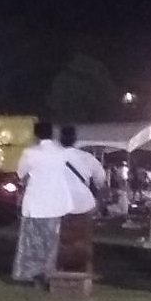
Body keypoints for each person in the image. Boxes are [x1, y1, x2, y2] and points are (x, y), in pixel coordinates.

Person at [12, 120, 71, 284]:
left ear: (36, 135)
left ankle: (28, 272)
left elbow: (20, 173)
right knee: (51, 241)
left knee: (31, 241)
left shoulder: (30, 152)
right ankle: (48, 271)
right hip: (55, 203)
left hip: (35, 202)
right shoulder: (62, 152)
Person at [56, 125, 106, 275]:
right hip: (84, 204)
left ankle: (59, 273)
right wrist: (98, 203)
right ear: (75, 140)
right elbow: (101, 181)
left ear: (60, 139)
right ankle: (84, 273)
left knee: (59, 242)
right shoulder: (88, 158)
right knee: (83, 240)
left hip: (58, 205)